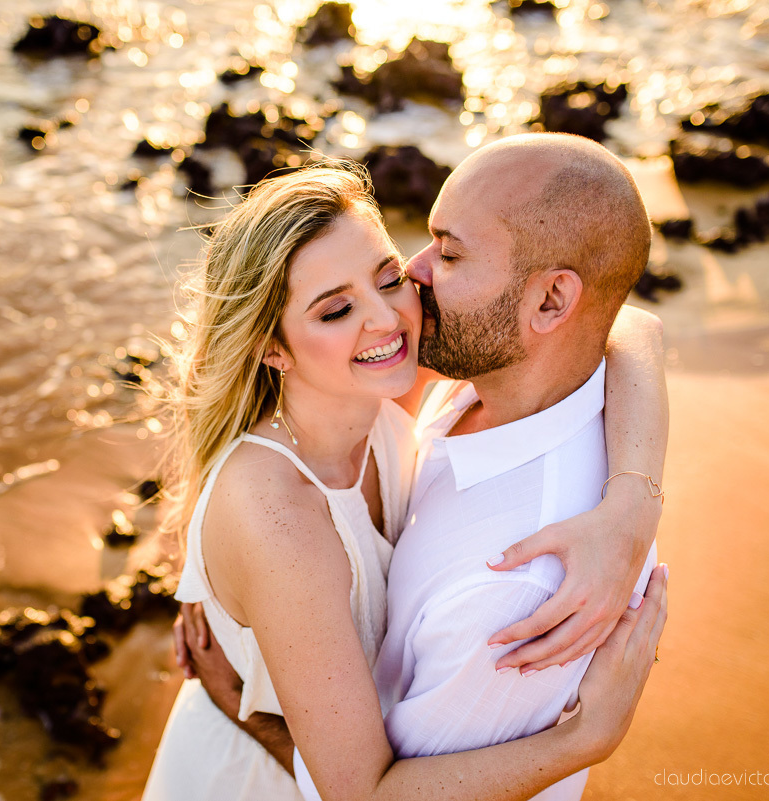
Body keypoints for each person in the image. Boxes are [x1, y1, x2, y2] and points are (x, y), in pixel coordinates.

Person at [143, 140, 667, 801]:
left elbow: (626, 326)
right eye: (335, 309)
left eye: (388, 276)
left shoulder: (384, 384)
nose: (387, 315)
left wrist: (634, 503)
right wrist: (584, 740)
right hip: (251, 779)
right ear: (271, 346)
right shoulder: (280, 516)